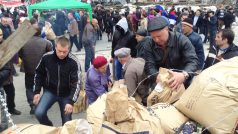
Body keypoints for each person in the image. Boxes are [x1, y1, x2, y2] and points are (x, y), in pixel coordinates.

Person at [33, 36, 82, 126]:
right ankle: (50, 128)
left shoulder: (74, 62)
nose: (62, 54)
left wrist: (71, 102)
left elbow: (77, 83)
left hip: (67, 94)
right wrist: (37, 91)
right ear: (55, 47)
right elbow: (38, 73)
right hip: (50, 91)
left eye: (65, 52)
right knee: (39, 113)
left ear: (69, 49)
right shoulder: (46, 57)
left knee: (67, 122)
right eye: (59, 51)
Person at [144, 16, 198, 90]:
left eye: (159, 36)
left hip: (180, 82)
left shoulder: (181, 40)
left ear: (167, 29)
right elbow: (149, 64)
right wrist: (156, 76)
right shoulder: (149, 44)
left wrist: (183, 75)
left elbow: (192, 61)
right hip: (160, 83)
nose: (156, 40)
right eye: (153, 37)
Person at [19, 25, 52, 115]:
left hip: (29, 69)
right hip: (43, 70)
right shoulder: (46, 42)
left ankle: (33, 105)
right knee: (45, 87)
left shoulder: (23, 43)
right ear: (40, 32)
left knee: (29, 88)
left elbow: (20, 55)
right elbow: (50, 56)